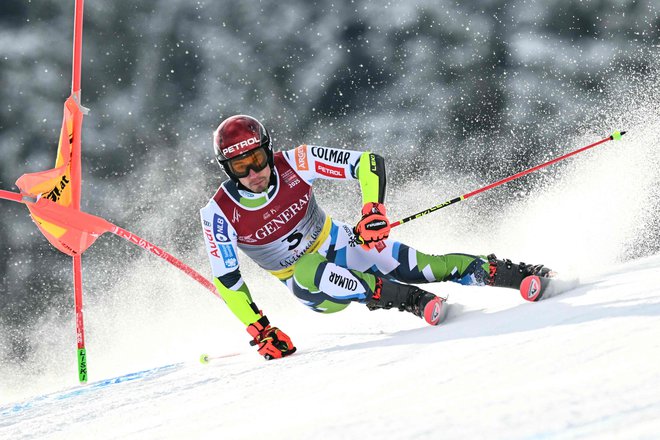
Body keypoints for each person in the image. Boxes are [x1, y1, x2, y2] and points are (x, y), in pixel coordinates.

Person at [200, 115, 552, 360]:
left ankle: (515, 275)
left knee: (424, 266)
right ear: (227, 169)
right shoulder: (218, 213)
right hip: (310, 286)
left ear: (267, 149)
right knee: (309, 267)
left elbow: (366, 163)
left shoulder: (296, 161)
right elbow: (229, 281)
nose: (254, 173)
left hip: (342, 243)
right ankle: (409, 300)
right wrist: (260, 330)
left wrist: (373, 211)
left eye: (258, 159)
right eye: (240, 167)